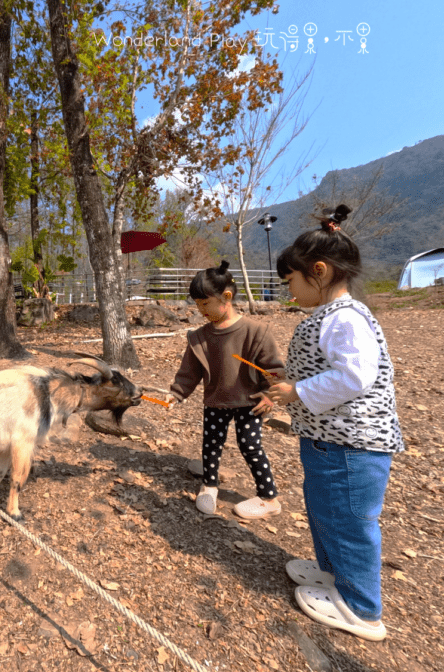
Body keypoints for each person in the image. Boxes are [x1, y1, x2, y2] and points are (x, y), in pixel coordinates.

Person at [267, 205, 404, 642]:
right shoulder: (327, 317)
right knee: (326, 509)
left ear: (319, 272)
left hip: (352, 445)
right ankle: (332, 573)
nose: (289, 290)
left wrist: (298, 392)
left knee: (348, 520)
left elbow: (355, 375)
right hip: (329, 440)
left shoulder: (345, 317)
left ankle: (362, 608)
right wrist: (291, 382)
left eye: (291, 280)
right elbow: (330, 370)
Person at [167, 260, 285, 520]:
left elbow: (273, 369)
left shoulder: (256, 332)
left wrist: (269, 394)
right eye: (197, 306)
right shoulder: (199, 337)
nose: (201, 311)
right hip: (216, 401)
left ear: (226, 297)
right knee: (211, 444)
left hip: (250, 401)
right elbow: (190, 371)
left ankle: (269, 498)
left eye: (205, 304)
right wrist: (176, 393)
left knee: (251, 446)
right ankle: (209, 486)